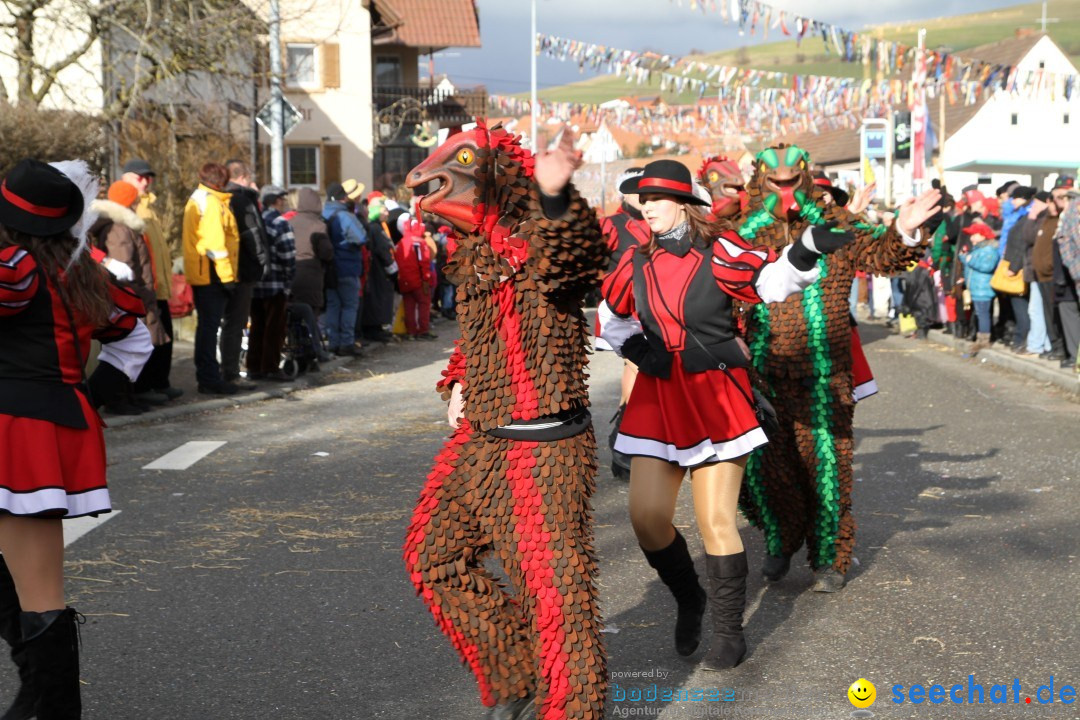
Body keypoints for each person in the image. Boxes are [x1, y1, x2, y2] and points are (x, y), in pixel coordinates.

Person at [598, 158, 857, 671]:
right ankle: (690, 597)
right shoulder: (635, 262)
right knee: (647, 521)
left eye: (657, 197)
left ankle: (728, 630)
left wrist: (805, 250)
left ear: (685, 204)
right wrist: (636, 352)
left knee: (715, 519)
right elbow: (611, 317)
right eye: (641, 198)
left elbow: (770, 282)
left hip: (714, 394)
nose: (646, 206)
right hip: (658, 399)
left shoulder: (719, 251)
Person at [402, 123, 609, 720]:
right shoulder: (477, 255)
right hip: (482, 441)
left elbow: (576, 256)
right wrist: (460, 378)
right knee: (432, 556)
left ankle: (572, 711)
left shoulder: (536, 243)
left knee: (556, 597)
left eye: (462, 160)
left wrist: (555, 197)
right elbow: (482, 336)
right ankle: (516, 674)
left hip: (543, 447)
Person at [731, 144, 942, 595]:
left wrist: (903, 231)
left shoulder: (837, 225)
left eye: (792, 179)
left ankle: (829, 556)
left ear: (806, 178)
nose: (784, 187)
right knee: (769, 469)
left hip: (825, 374)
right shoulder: (742, 232)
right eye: (775, 179)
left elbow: (881, 255)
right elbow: (717, 287)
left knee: (826, 466)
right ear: (760, 180)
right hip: (762, 374)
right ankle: (781, 539)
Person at [0, 158, 151, 719]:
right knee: (32, 586)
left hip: (21, 436)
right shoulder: (81, 271)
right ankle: (35, 697)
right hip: (47, 428)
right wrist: (88, 396)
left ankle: (48, 707)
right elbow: (135, 338)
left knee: (40, 593)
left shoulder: (15, 269)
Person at [88, 180, 166, 414]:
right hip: (129, 295)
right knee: (129, 345)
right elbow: (125, 265)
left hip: (134, 293)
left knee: (132, 345)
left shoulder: (124, 224)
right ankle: (117, 398)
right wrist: (134, 292)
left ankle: (127, 396)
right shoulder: (119, 227)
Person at [123, 158, 182, 402]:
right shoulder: (132, 207)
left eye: (148, 177)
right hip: (147, 285)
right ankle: (146, 387)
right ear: (126, 177)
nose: (145, 182)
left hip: (157, 283)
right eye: (140, 177)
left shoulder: (149, 206)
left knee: (163, 335)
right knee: (150, 337)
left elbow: (158, 249)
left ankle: (160, 382)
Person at [183, 162, 241, 395]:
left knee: (206, 327)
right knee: (209, 328)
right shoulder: (212, 202)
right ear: (221, 180)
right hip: (212, 274)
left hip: (205, 271)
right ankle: (209, 378)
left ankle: (207, 376)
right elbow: (216, 244)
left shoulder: (203, 199)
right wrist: (227, 277)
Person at [223, 160, 269, 389]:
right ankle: (230, 373)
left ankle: (227, 371)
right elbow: (253, 235)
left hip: (225, 269)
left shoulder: (219, 198)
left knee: (226, 324)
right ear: (242, 177)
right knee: (236, 322)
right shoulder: (241, 199)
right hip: (243, 270)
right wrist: (263, 262)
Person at [247, 185, 297, 380]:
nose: (284, 203)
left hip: (255, 283)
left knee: (256, 327)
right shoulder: (280, 223)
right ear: (276, 201)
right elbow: (288, 255)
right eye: (282, 199)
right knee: (274, 329)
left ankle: (254, 367)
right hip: (276, 283)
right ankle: (270, 367)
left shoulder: (256, 220)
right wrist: (289, 279)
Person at [288, 188, 334, 363]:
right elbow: (326, 252)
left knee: (292, 317)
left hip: (291, 274)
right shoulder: (319, 225)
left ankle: (295, 350)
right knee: (310, 318)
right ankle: (311, 352)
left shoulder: (290, 222)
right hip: (311, 275)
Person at [322, 180, 367, 356]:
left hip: (329, 269)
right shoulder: (345, 216)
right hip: (347, 266)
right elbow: (360, 238)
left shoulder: (323, 214)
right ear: (343, 197)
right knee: (349, 306)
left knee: (333, 305)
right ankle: (347, 343)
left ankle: (333, 342)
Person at [358, 191, 398, 343]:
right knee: (378, 299)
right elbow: (383, 251)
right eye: (384, 209)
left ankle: (376, 327)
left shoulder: (375, 227)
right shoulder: (376, 228)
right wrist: (393, 269)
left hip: (375, 270)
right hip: (378, 271)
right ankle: (374, 328)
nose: (387, 213)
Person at [959, 221, 1000, 352]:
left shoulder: (989, 250)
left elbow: (987, 267)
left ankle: (984, 340)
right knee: (979, 313)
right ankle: (981, 338)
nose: (971, 238)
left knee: (983, 314)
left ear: (983, 236)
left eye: (974, 235)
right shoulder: (979, 249)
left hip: (983, 288)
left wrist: (969, 260)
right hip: (977, 288)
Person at [394, 217, 435, 340]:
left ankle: (411, 331)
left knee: (409, 306)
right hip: (418, 280)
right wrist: (426, 279)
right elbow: (424, 262)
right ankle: (423, 330)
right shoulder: (419, 242)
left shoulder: (399, 243)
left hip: (404, 280)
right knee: (424, 304)